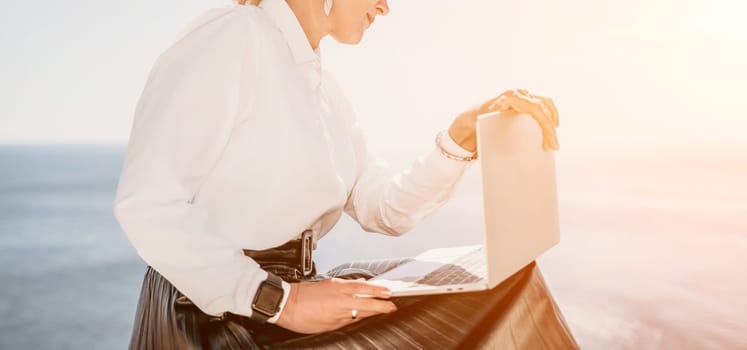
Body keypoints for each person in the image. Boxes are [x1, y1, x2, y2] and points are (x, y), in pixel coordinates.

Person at [113, 0, 572, 348]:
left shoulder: (324, 90)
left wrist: (461, 137)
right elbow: (147, 206)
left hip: (293, 296)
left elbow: (385, 210)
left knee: (509, 282)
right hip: (210, 315)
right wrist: (283, 302)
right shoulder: (233, 37)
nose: (385, 7)